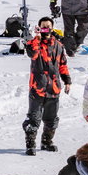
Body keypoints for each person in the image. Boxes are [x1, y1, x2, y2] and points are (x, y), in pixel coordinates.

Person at [22, 17, 71, 156]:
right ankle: (30, 144)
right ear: (39, 28)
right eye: (42, 26)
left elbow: (63, 65)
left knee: (51, 119)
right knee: (33, 118)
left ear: (52, 28)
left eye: (48, 26)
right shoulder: (34, 43)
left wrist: (67, 81)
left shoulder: (59, 46)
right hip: (37, 88)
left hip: (53, 88)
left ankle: (46, 142)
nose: (45, 29)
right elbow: (33, 53)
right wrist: (36, 37)